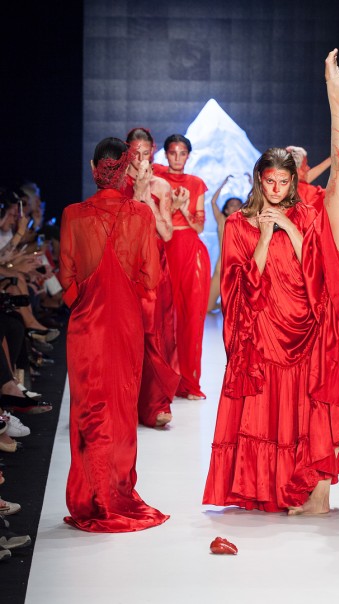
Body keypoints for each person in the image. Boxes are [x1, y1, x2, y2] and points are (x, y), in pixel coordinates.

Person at [203, 49, 339, 515]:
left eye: (284, 182)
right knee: (267, 409)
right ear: (260, 180)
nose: (276, 189)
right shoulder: (240, 223)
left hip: (305, 323)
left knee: (311, 405)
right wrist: (264, 234)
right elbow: (237, 285)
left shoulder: (307, 214)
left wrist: (290, 229)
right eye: (270, 182)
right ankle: (266, 485)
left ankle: (338, 100)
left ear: (293, 182)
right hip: (263, 333)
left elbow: (316, 263)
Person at [59, 136, 168, 532]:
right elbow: (151, 277)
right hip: (124, 325)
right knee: (121, 413)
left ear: (94, 168)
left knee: (88, 412)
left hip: (86, 328)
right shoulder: (140, 215)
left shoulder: (72, 215)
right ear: (125, 172)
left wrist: (87, 301)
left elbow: (66, 279)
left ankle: (91, 498)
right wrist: (125, 294)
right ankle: (116, 492)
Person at [124, 127, 179, 428]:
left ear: (153, 152)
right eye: (135, 154)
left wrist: (146, 194)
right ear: (127, 153)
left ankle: (155, 403)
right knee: (125, 334)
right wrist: (135, 192)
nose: (140, 159)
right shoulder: (117, 183)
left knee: (153, 334)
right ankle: (124, 401)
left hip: (154, 266)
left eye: (146, 153)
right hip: (125, 265)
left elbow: (167, 232)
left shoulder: (161, 186)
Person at [155, 134, 211, 400]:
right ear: (166, 154)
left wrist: (183, 209)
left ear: (188, 155)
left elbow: (199, 226)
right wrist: (173, 207)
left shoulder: (196, 183)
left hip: (189, 251)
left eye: (182, 153)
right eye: (173, 152)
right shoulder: (156, 179)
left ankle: (188, 381)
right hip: (164, 249)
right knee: (164, 316)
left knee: (190, 317)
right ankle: (163, 380)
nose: (177, 158)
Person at [207, 175, 243, 313]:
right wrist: (223, 183)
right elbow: (213, 201)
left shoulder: (246, 223)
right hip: (222, 267)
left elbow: (257, 203)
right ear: (226, 210)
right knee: (208, 307)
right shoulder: (222, 220)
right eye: (231, 205)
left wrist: (253, 184)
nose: (235, 207)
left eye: (238, 205)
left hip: (240, 268)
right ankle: (223, 305)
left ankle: (229, 305)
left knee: (240, 308)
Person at [285, 145, 330, 211]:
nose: (308, 168)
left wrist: (331, 159)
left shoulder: (278, 188)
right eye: (305, 164)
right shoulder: (305, 191)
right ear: (296, 169)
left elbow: (305, 177)